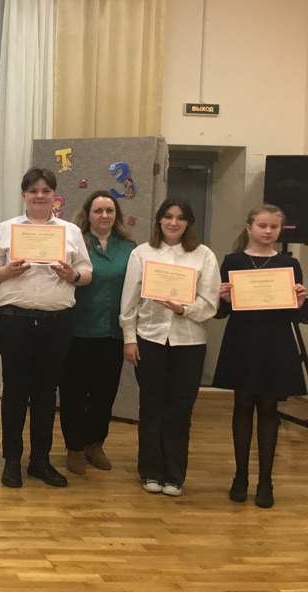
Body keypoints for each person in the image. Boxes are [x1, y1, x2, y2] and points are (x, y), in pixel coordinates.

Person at [0, 168, 92, 488]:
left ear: (54, 195)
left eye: (45, 190)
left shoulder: (71, 231)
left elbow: (86, 273)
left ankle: (40, 461)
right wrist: (7, 271)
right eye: (33, 191)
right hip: (14, 320)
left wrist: (72, 275)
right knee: (14, 392)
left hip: (56, 322)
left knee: (46, 393)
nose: (40, 196)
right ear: (24, 195)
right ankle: (12, 460)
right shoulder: (6, 229)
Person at [120, 197, 220, 497]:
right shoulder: (142, 253)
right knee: (151, 407)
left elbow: (210, 304)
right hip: (150, 339)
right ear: (159, 221)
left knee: (180, 409)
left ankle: (175, 475)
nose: (173, 223)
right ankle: (150, 470)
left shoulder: (204, 256)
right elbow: (129, 301)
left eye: (180, 217)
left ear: (188, 223)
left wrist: (183, 309)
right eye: (168, 216)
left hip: (189, 342)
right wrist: (129, 338)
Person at [213, 204, 307, 509]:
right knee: (242, 407)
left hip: (276, 344)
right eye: (262, 225)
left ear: (280, 230)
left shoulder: (289, 264)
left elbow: (296, 315)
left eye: (273, 227)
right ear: (249, 228)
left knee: (269, 410)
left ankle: (266, 481)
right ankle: (240, 476)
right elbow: (222, 312)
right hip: (243, 342)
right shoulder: (233, 261)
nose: (268, 231)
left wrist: (300, 302)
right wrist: (224, 298)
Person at [59, 191, 136, 475]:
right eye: (98, 211)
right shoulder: (75, 244)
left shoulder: (129, 248)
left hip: (112, 333)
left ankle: (95, 444)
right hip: (78, 331)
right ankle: (74, 447)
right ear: (88, 214)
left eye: (109, 210)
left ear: (116, 215)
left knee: (104, 394)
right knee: (74, 393)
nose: (104, 215)